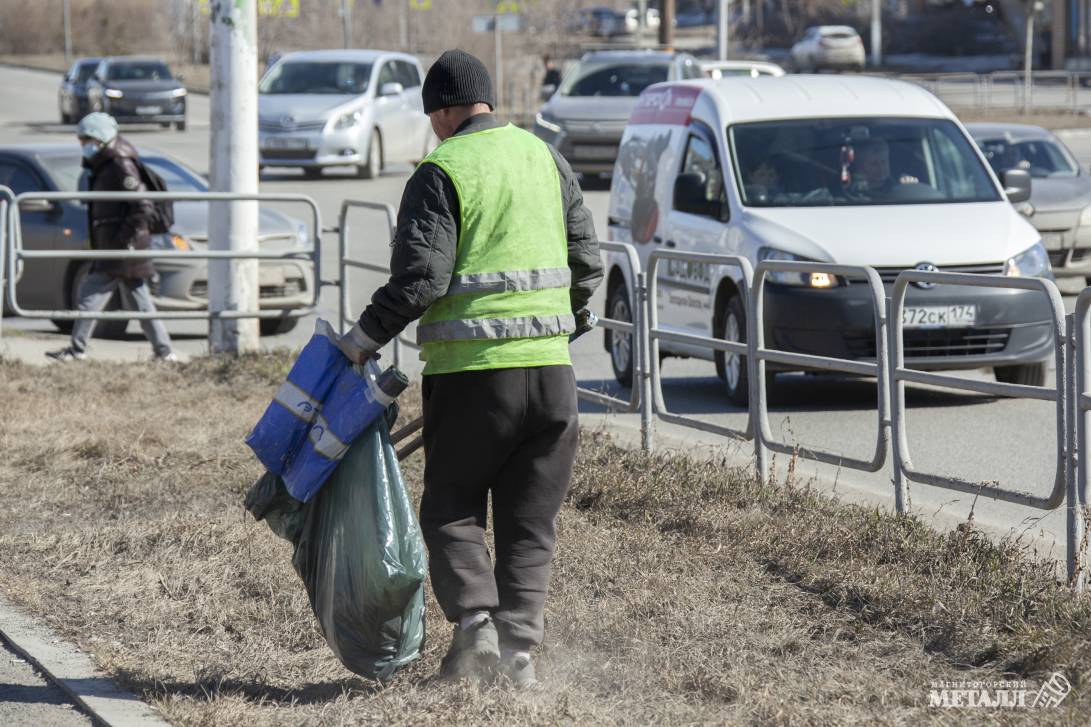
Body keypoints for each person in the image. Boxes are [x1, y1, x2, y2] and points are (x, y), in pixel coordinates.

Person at [336, 49, 602, 688]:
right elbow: (587, 262)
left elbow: (421, 279)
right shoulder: (546, 158)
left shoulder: (442, 169)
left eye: (433, 117)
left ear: (443, 112)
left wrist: (362, 340)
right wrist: (563, 323)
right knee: (529, 522)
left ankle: (477, 630)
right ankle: (520, 658)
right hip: (553, 378)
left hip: (473, 378)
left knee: (452, 509)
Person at [46, 113, 177, 363]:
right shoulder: (105, 163)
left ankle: (77, 349)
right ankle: (164, 352)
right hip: (122, 247)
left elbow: (142, 207)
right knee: (141, 303)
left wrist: (123, 240)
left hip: (122, 249)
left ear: (101, 138)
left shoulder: (119, 164)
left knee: (90, 295)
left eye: (87, 140)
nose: (83, 145)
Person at [850, 138, 918, 195]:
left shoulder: (898, 180)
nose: (881, 168)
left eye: (884, 161)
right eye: (874, 164)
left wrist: (909, 185)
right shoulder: (855, 191)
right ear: (860, 168)